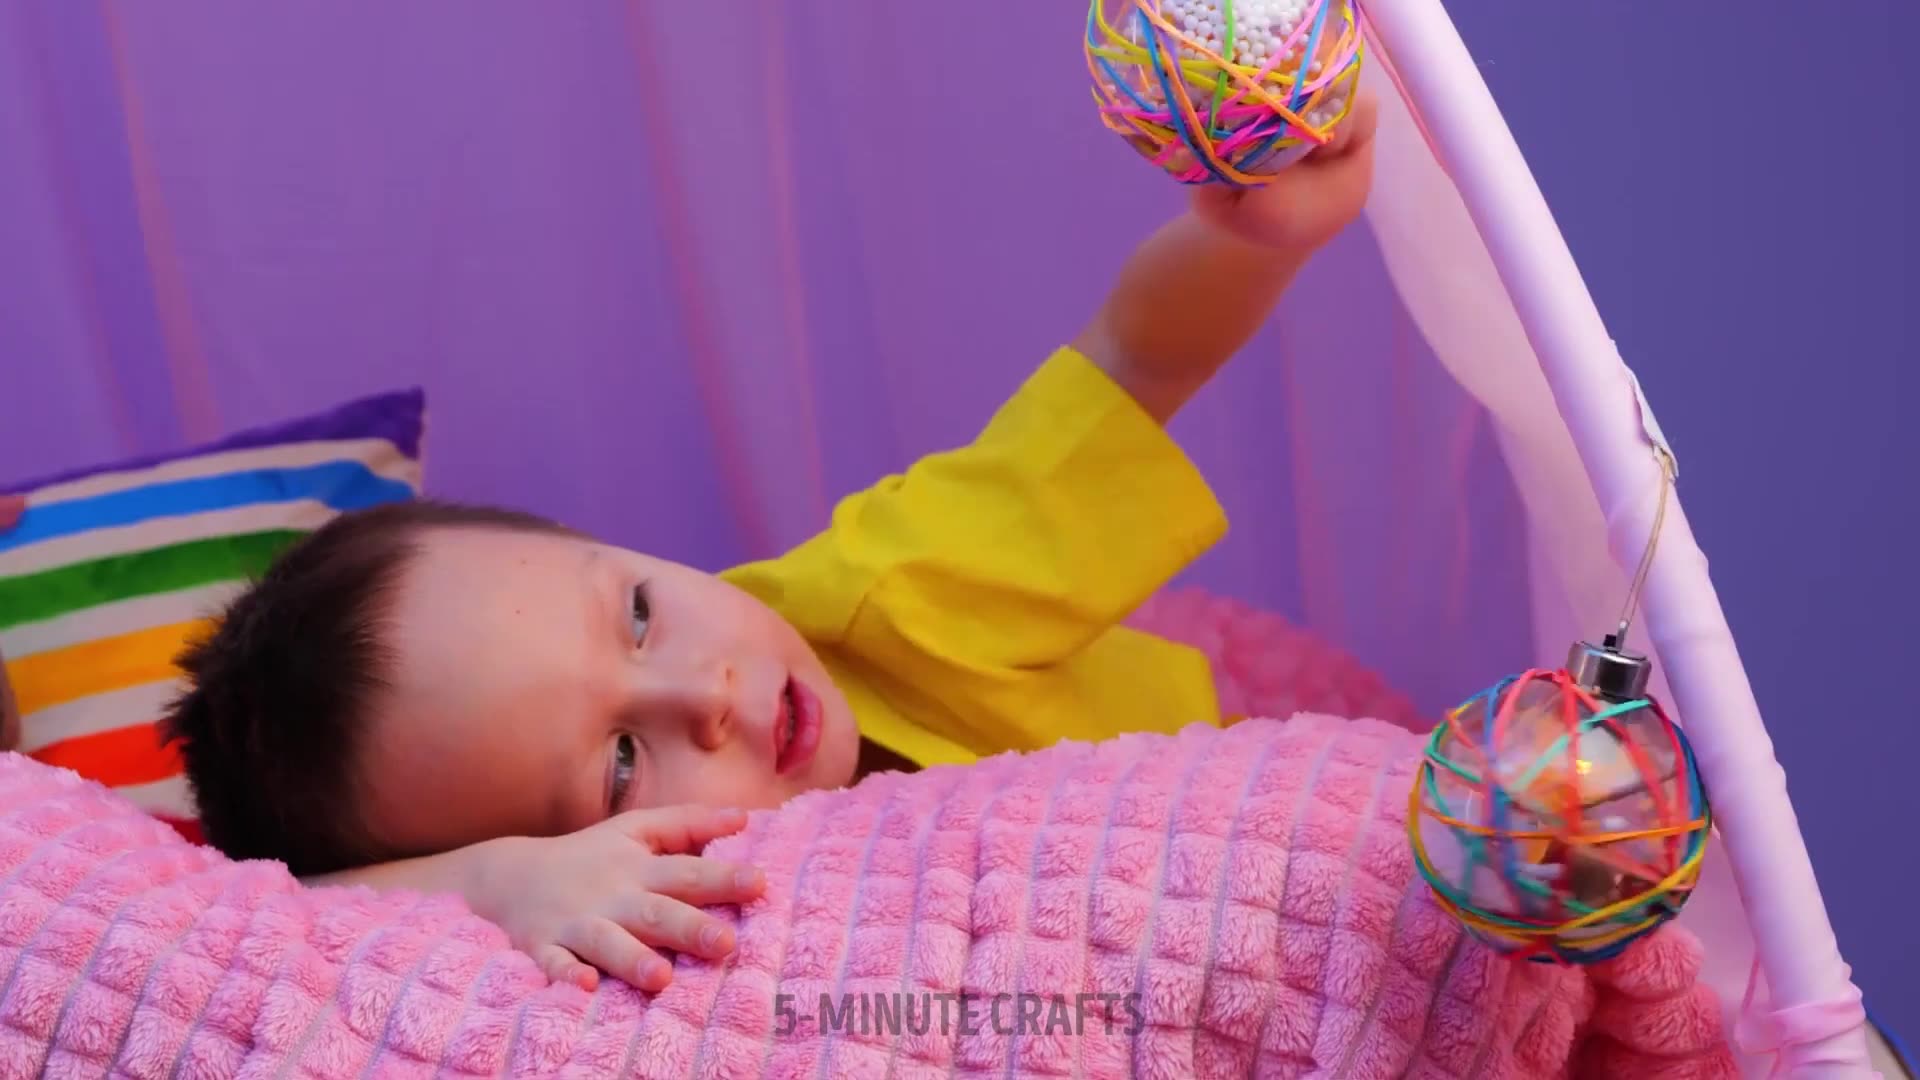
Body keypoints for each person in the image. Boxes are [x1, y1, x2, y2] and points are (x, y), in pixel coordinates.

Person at [163, 96, 1381, 994]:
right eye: (621, 769)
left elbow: (1134, 359)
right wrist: (486, 885)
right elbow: (253, 920)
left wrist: (1250, 239)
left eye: (639, 612)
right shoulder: (622, 932)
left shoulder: (886, 598)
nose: (709, 693)